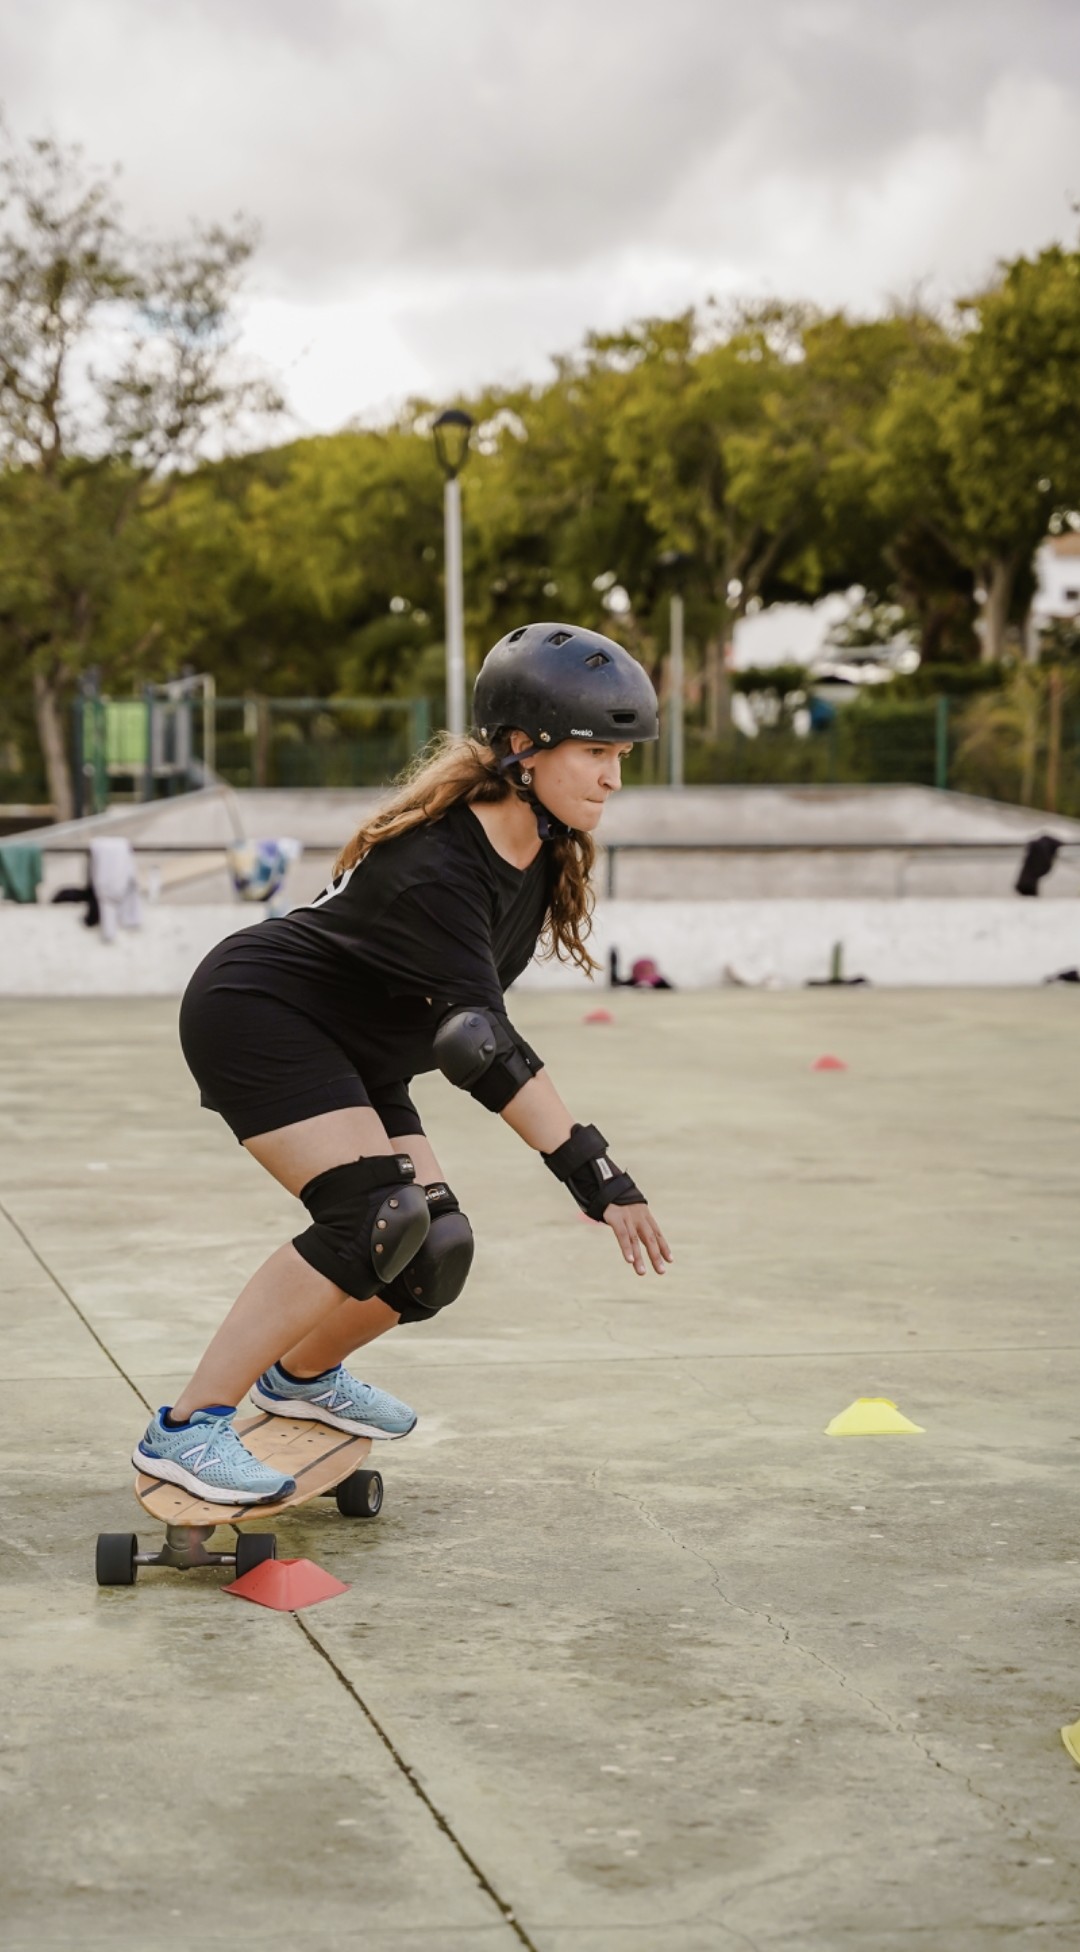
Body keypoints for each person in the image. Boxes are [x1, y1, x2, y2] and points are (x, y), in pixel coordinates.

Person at [133, 622, 674, 1504]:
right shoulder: (441, 865)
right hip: (261, 1014)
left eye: (621, 754)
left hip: (359, 1042)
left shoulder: (540, 848)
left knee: (432, 1251)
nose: (613, 777)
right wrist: (598, 1176)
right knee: (370, 1216)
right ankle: (188, 1427)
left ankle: (301, 1378)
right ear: (522, 749)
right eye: (594, 752)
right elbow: (480, 1046)